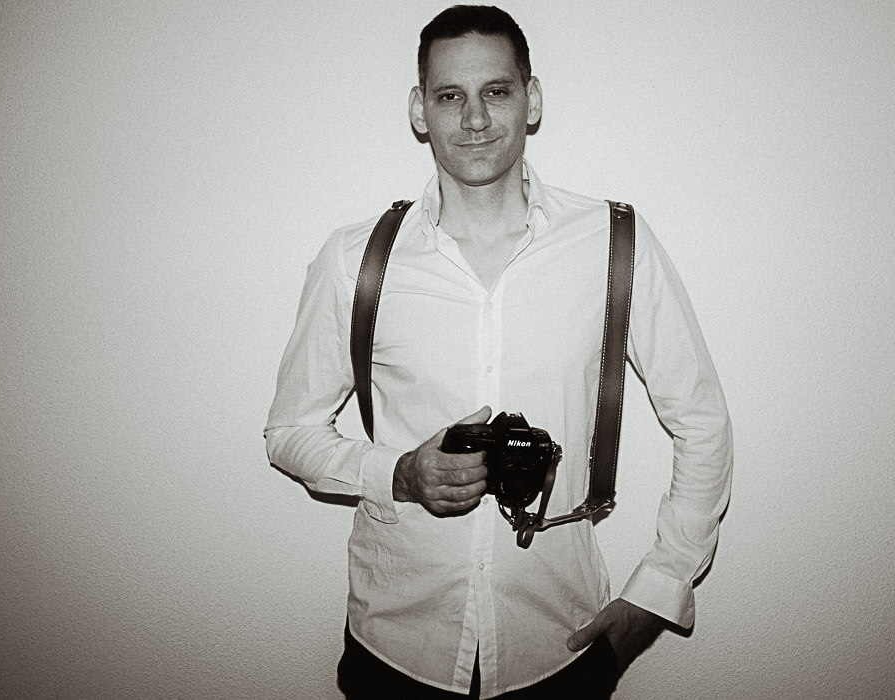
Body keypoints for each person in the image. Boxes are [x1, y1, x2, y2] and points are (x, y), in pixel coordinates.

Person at [265, 5, 732, 698]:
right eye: (450, 96)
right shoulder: (355, 261)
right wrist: (399, 474)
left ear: (531, 98)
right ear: (420, 110)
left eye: (497, 91)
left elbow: (702, 421)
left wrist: (661, 586)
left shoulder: (613, 244)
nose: (475, 118)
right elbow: (289, 433)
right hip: (396, 650)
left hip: (559, 645)